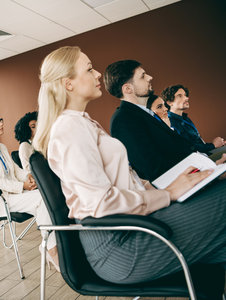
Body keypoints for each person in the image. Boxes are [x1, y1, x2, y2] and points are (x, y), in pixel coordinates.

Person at [33, 46, 226, 287]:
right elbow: (101, 203)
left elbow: (126, 181)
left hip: (131, 229)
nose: (97, 75)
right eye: (90, 69)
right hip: (119, 247)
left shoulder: (82, 122)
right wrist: (168, 194)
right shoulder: (69, 128)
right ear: (68, 84)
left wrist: (179, 185)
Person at [0, 112, 59, 271]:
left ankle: (49, 245)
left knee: (45, 198)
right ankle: (51, 247)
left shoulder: (1, 147)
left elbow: (16, 170)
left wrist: (29, 177)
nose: (0, 124)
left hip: (11, 195)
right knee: (41, 199)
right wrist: (21, 186)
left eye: (0, 120)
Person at [105, 60, 196, 181]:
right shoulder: (123, 120)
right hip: (179, 185)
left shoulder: (144, 113)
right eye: (143, 76)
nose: (150, 77)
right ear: (127, 89)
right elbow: (153, 170)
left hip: (191, 172)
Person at [161, 84, 225, 154]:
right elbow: (189, 147)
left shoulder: (186, 119)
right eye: (180, 96)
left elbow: (197, 143)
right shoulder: (170, 123)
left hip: (206, 154)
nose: (186, 98)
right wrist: (213, 145)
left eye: (185, 95)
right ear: (169, 102)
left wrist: (217, 144)